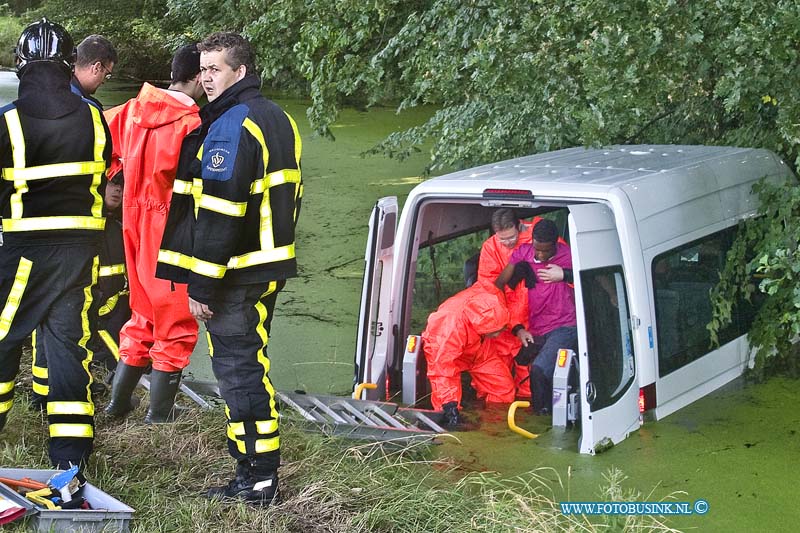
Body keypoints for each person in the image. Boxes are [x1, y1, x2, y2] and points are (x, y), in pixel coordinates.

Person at [156, 32, 302, 505]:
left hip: (236, 271)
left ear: (240, 72)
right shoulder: (279, 118)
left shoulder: (232, 126)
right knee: (247, 366)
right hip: (266, 264)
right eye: (202, 69)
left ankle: (257, 480)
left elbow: (221, 214)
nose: (205, 78)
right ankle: (254, 472)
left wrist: (202, 283)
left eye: (215, 69)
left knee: (239, 373)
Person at [0, 18, 111, 474]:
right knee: (68, 348)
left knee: (3, 340)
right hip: (79, 253)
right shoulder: (93, 115)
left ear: (21, 63)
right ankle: (71, 461)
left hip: (24, 250)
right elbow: (100, 179)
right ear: (69, 63)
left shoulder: (8, 119)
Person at [102, 43, 204, 424]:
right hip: (170, 232)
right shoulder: (192, 124)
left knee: (142, 315)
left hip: (133, 226)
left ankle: (118, 404)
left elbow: (96, 140)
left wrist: (113, 179)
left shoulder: (130, 111)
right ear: (199, 77)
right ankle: (159, 417)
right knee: (176, 325)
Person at [30, 173, 129, 408]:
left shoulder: (115, 225)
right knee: (60, 336)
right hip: (80, 298)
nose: (117, 190)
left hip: (99, 302)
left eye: (122, 186)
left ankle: (59, 389)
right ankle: (46, 394)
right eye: (113, 184)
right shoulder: (85, 222)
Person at [495, 219, 577, 415]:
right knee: (521, 360)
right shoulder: (524, 253)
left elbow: (593, 277)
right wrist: (518, 269)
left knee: (540, 369)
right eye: (536, 249)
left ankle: (545, 416)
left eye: (545, 251)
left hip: (565, 325)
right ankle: (545, 409)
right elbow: (498, 285)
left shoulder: (569, 256)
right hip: (537, 326)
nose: (539, 255)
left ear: (555, 245)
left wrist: (565, 275)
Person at [421, 280, 514, 426]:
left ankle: (492, 425)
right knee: (447, 407)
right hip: (445, 353)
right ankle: (447, 423)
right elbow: (442, 368)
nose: (497, 335)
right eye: (496, 332)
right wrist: (449, 404)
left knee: (503, 388)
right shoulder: (450, 325)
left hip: (479, 349)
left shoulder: (490, 303)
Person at [476, 208, 533, 397]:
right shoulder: (490, 248)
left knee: (530, 378)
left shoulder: (539, 237)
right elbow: (489, 287)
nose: (508, 243)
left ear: (519, 226)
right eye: (503, 239)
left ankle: (527, 410)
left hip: (533, 317)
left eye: (511, 237)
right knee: (495, 380)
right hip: (503, 319)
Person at [71, 34, 117, 109]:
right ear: (96, 68)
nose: (104, 82)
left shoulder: (52, 86)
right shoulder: (87, 108)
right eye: (106, 75)